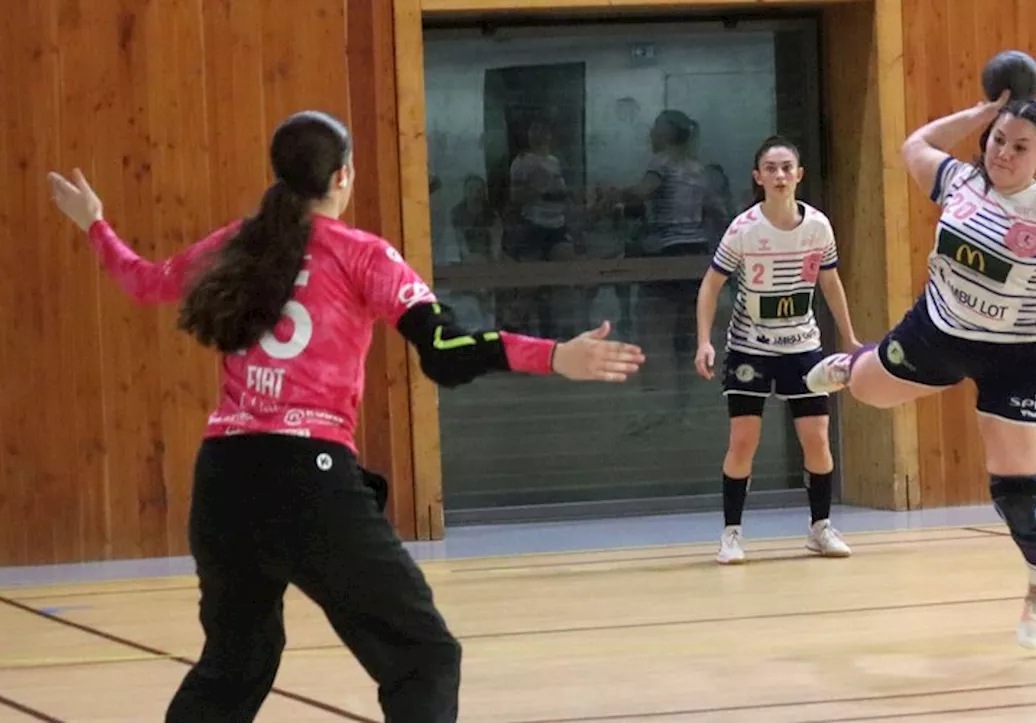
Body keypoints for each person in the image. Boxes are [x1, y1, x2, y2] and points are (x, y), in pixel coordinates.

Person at [47, 110, 645, 723]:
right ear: (343, 175)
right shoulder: (364, 255)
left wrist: (95, 224)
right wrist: (553, 355)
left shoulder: (235, 244)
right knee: (424, 657)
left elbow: (145, 281)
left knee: (237, 661)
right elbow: (444, 352)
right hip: (308, 478)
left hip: (223, 479)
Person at [806, 92, 1036, 648]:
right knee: (866, 391)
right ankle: (852, 363)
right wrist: (976, 117)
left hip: (1021, 357)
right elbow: (915, 146)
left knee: (1019, 497)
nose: (1004, 152)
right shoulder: (961, 180)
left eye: (1019, 146)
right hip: (939, 332)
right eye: (998, 139)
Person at [694, 135, 858, 565]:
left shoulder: (818, 227)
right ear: (758, 177)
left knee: (817, 439)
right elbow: (710, 286)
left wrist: (850, 338)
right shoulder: (744, 229)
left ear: (799, 175)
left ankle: (820, 528)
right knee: (744, 440)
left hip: (803, 347)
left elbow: (830, 282)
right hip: (750, 348)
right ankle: (731, 534)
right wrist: (703, 342)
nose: (780, 175)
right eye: (771, 168)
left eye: (787, 167)